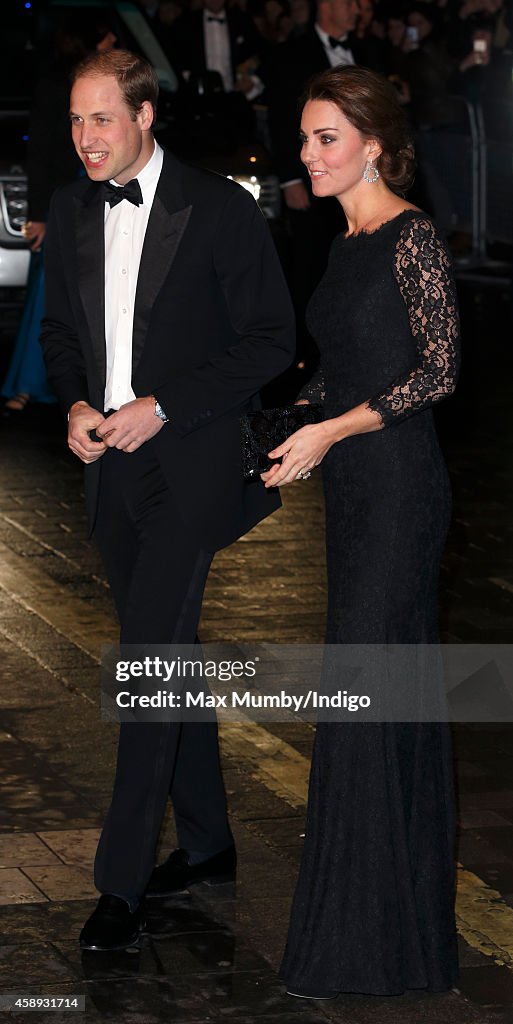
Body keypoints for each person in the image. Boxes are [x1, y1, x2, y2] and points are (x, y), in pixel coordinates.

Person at [41, 48, 294, 952]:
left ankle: (119, 887)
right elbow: (62, 334)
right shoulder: (72, 209)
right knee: (167, 653)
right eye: (75, 120)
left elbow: (272, 340)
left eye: (101, 118)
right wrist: (72, 401)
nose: (85, 139)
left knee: (142, 665)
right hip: (110, 472)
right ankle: (209, 840)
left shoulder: (216, 207)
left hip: (189, 467)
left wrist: (168, 406)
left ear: (146, 116)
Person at [262, 65, 460, 997]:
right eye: (303, 139)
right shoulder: (340, 243)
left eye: (325, 138)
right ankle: (393, 933)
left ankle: (370, 939)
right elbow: (338, 368)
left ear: (373, 143)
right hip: (354, 493)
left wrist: (330, 430)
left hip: (398, 490)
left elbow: (437, 372)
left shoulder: (410, 235)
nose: (309, 155)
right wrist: (283, 424)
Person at [1, 11, 117, 414]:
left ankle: (60, 384)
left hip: (95, 192)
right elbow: (42, 151)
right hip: (66, 200)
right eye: (107, 37)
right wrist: (39, 213)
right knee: (49, 293)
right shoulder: (57, 83)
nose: (115, 41)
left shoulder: (102, 86)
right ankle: (31, 384)